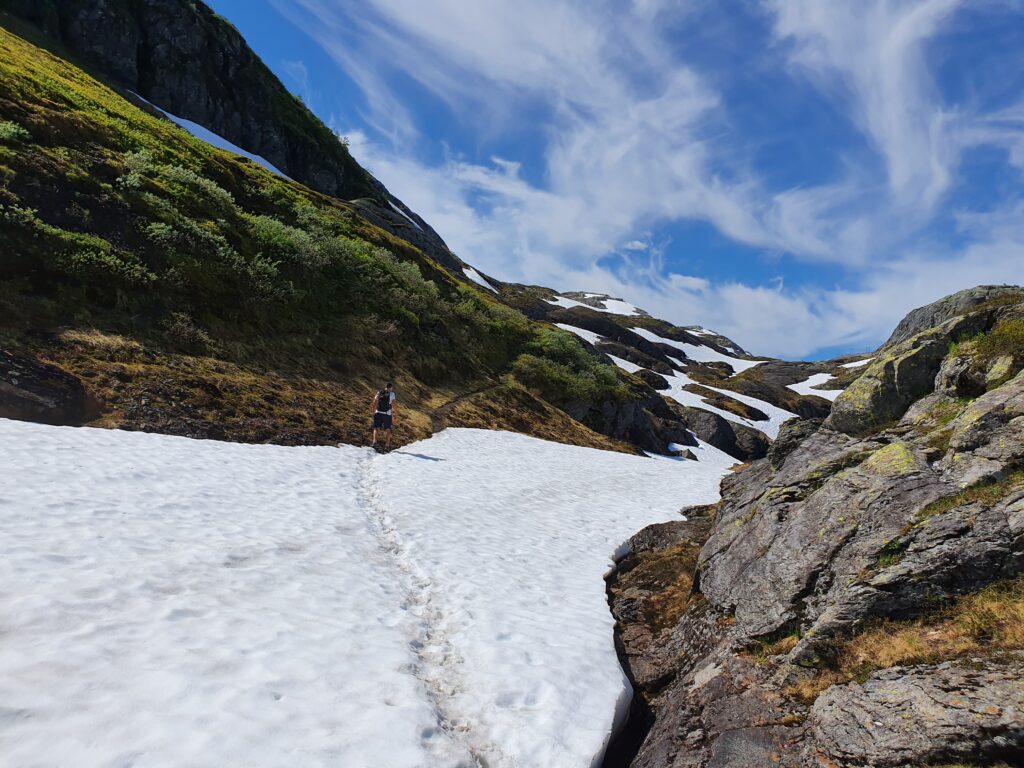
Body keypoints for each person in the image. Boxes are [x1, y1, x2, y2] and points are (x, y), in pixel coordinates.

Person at [371, 383, 397, 450]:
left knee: (376, 428)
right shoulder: (392, 394)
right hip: (387, 414)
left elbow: (374, 402)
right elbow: (394, 404)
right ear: (390, 387)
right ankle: (387, 446)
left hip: (378, 413)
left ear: (385, 387)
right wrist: (395, 414)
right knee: (388, 429)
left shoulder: (379, 392)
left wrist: (373, 412)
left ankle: (374, 442)